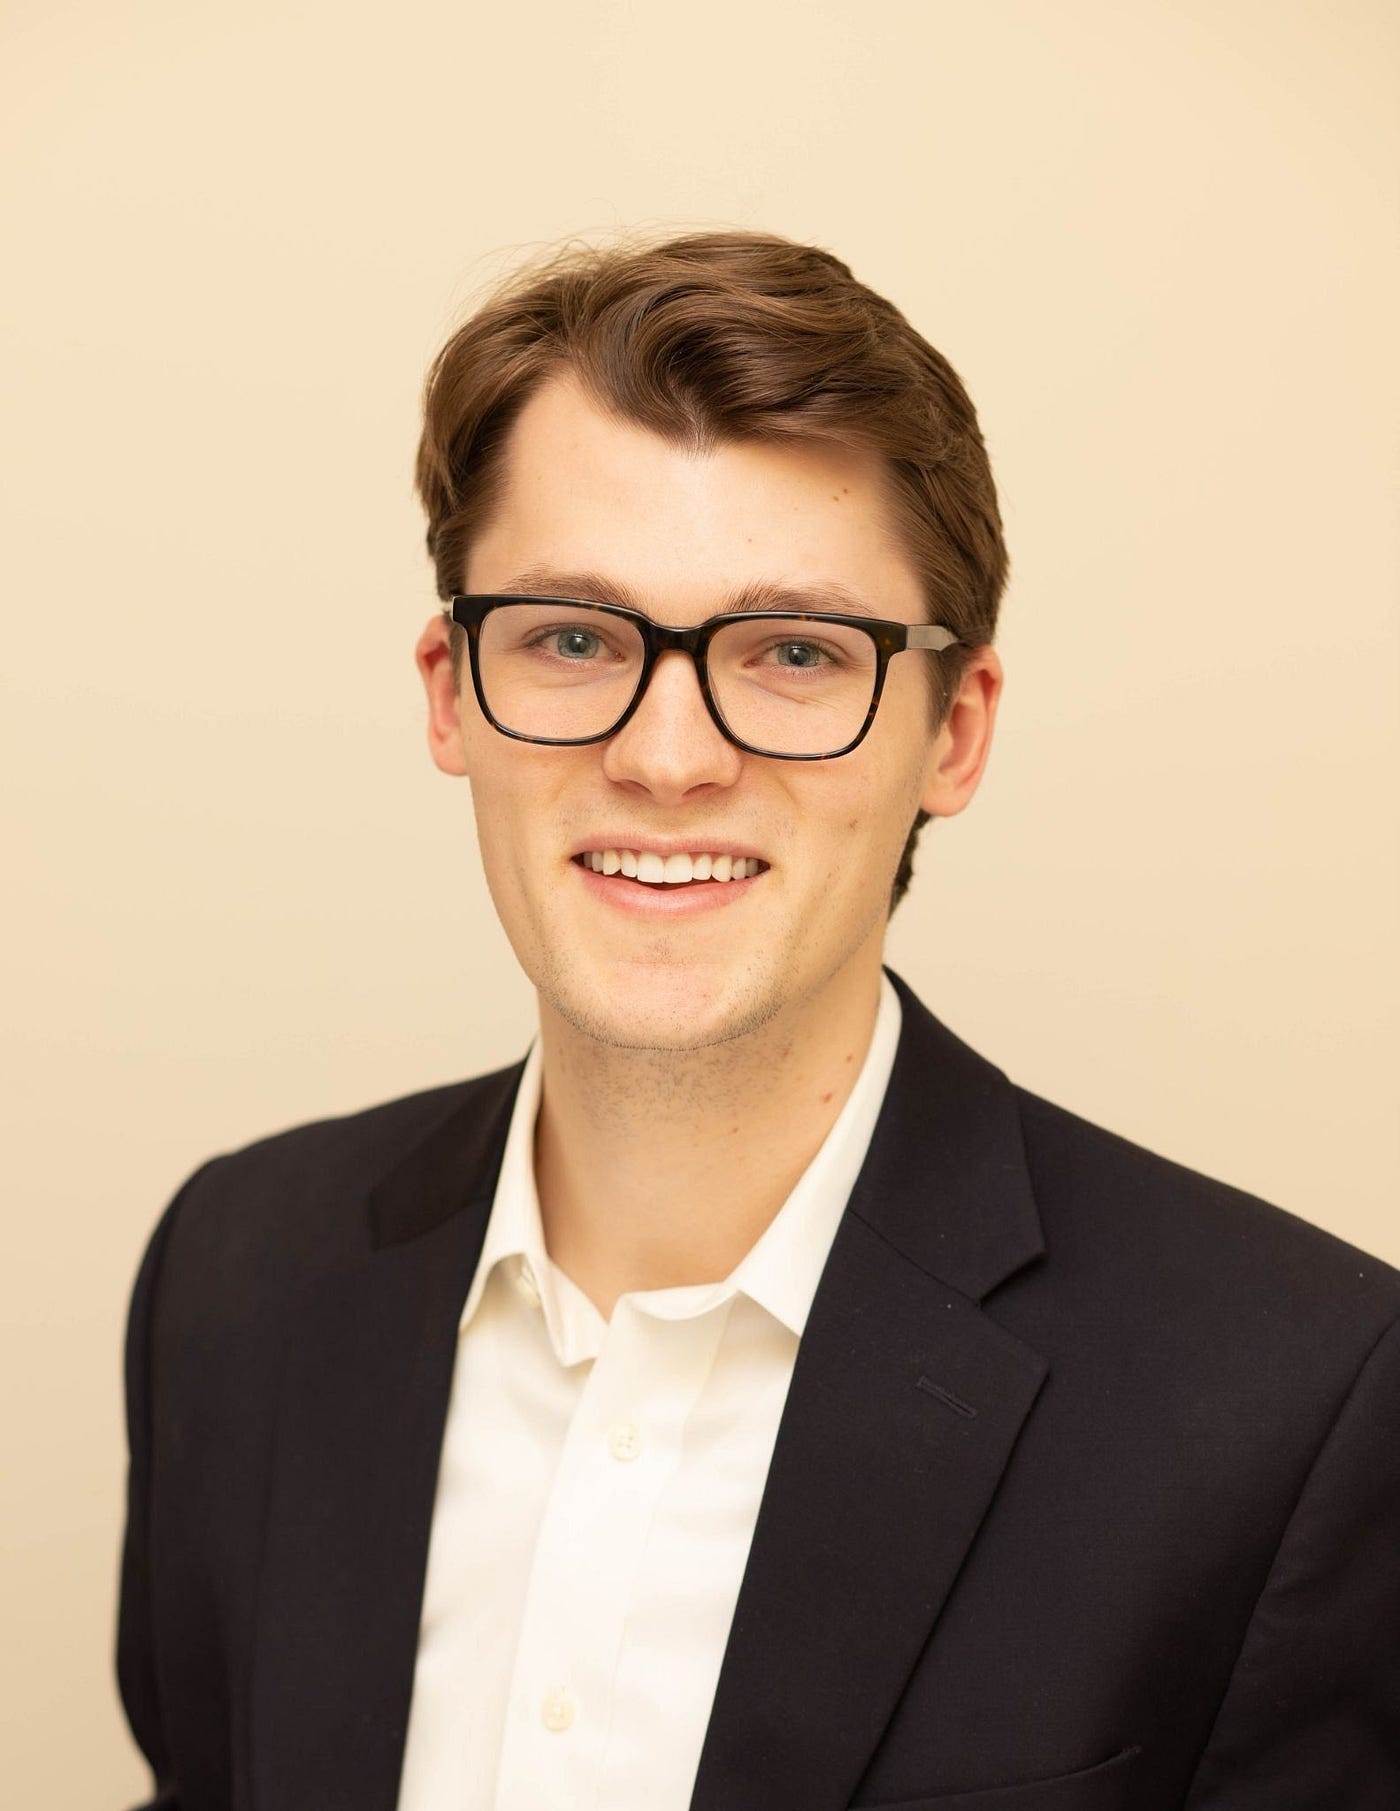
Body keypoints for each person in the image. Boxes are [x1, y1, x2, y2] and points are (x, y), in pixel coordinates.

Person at [117, 230, 1400, 1811]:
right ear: (451, 692)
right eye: (573, 638)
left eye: (794, 651)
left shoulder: (1298, 1405)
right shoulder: (234, 1277)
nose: (668, 759)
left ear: (954, 732)